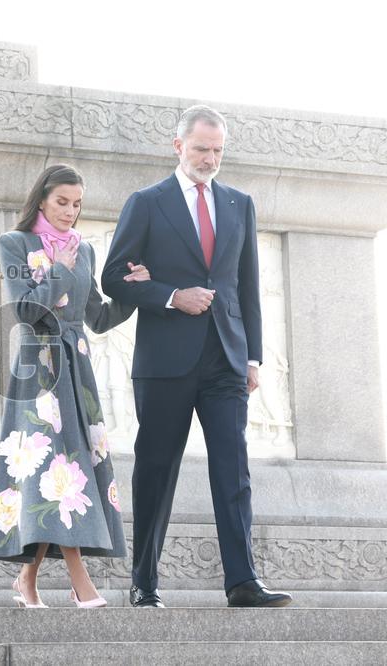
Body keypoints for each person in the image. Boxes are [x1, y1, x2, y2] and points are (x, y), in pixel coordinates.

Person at [101, 105, 292, 608]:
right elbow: (113, 277)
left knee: (234, 470)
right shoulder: (147, 202)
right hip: (165, 361)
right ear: (178, 146)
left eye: (218, 150)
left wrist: (253, 358)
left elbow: (246, 286)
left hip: (226, 360)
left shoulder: (239, 203)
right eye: (202, 148)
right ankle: (144, 583)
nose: (210, 158)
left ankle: (243, 581)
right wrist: (171, 296)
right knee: (156, 470)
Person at [0, 164, 148, 608]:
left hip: (76, 369)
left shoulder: (84, 249)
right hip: (38, 367)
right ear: (41, 199)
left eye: (76, 204)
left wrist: (132, 293)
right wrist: (57, 270)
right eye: (61, 202)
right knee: (54, 467)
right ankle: (81, 581)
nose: (70, 211)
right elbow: (24, 310)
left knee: (69, 464)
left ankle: (27, 581)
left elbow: (97, 317)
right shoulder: (14, 243)